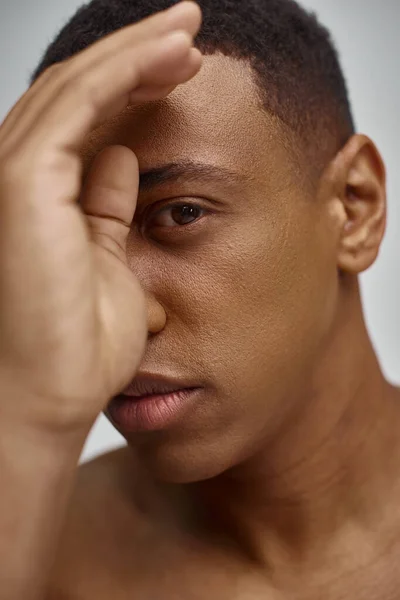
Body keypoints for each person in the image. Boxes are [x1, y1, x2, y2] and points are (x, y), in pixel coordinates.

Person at [0, 0, 399, 598]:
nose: (122, 314)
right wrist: (32, 417)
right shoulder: (36, 555)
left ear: (355, 207)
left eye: (182, 213)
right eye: (73, 239)